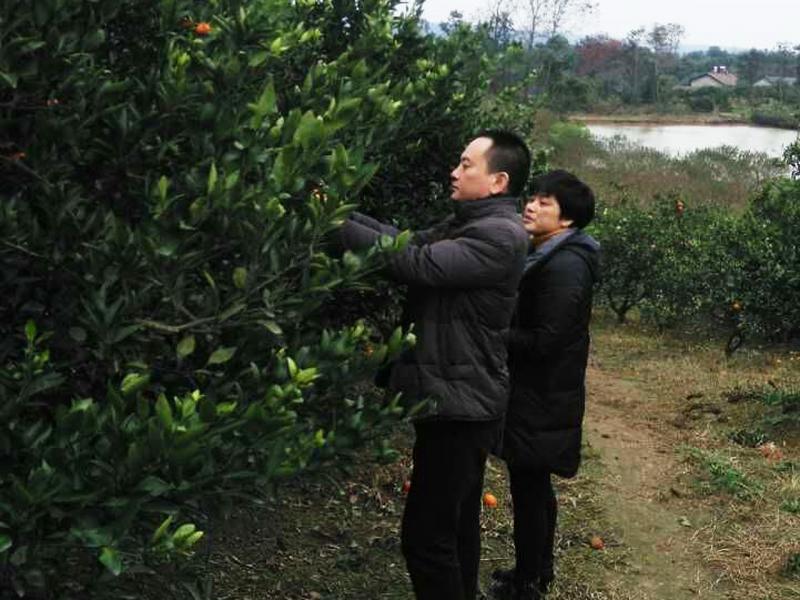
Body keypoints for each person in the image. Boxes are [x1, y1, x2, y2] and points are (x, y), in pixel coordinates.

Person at [338, 131, 531, 600]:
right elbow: (403, 240)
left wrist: (332, 224)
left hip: (461, 403)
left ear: (498, 181)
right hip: (457, 396)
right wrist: (341, 213)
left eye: (466, 165)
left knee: (426, 539)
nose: (454, 172)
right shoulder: (469, 223)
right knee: (456, 525)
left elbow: (415, 262)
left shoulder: (499, 235)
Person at [489, 170, 600, 600]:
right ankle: (533, 572)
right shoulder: (548, 254)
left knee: (530, 488)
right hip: (538, 391)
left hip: (542, 393)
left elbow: (546, 340)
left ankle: (529, 583)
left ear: (567, 219)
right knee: (531, 484)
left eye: (544, 202)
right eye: (532, 198)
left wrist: (492, 333)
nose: (531, 206)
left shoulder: (566, 265)